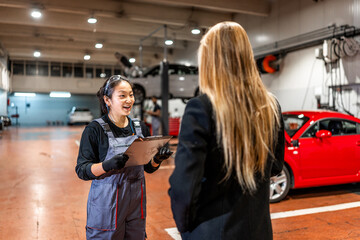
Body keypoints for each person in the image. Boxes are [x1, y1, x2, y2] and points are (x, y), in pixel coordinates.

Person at [168, 22, 285, 240]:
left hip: (212, 232)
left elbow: (184, 185)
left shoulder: (201, 108)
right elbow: (275, 165)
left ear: (211, 62)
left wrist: (186, 228)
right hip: (258, 231)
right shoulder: (271, 106)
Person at [75, 75, 172, 240]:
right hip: (107, 206)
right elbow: (82, 170)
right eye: (122, 95)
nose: (129, 100)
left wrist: (157, 159)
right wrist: (107, 165)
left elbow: (148, 168)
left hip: (136, 205)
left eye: (131, 94)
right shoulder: (94, 130)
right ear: (108, 100)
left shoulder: (140, 127)